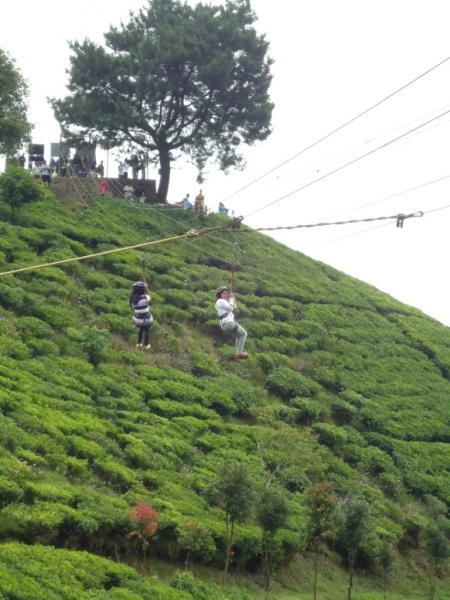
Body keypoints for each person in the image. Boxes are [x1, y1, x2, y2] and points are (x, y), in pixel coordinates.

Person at [215, 286, 248, 359]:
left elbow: (234, 306)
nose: (226, 294)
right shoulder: (220, 301)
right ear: (219, 295)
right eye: (224, 293)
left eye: (227, 293)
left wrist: (231, 298)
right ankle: (239, 352)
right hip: (229, 323)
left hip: (226, 324)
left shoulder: (223, 301)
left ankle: (238, 353)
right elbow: (231, 308)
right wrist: (231, 299)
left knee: (239, 335)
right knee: (243, 334)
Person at [129, 281, 153, 350]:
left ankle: (138, 343)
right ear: (143, 290)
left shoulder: (133, 298)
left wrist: (145, 287)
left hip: (137, 320)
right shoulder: (146, 297)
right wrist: (147, 288)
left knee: (141, 328)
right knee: (147, 329)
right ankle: (146, 345)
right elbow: (149, 297)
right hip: (144, 320)